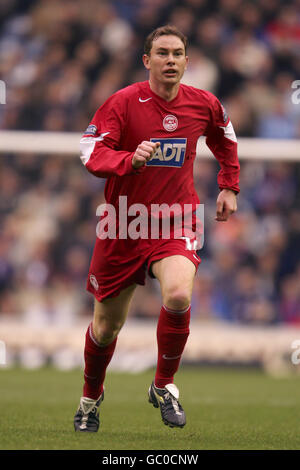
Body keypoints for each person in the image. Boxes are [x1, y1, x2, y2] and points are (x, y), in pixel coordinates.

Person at [74, 25, 240, 432]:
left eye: (178, 53)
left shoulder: (204, 104)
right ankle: (90, 400)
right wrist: (128, 160)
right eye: (162, 53)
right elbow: (90, 151)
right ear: (147, 61)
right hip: (124, 223)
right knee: (105, 327)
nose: (171, 60)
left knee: (180, 294)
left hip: (175, 219)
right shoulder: (123, 103)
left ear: (187, 60)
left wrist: (229, 185)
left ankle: (164, 385)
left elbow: (225, 139)